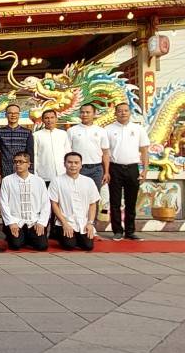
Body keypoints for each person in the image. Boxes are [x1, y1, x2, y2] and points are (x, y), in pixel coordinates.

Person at [105, 102, 150, 241]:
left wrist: (145, 170)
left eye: (125, 110)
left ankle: (130, 231)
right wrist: (106, 171)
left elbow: (144, 151)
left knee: (131, 201)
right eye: (120, 111)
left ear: (130, 112)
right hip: (115, 168)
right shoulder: (108, 129)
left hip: (132, 168)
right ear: (115, 113)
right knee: (115, 202)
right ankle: (117, 231)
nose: (123, 113)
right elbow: (105, 152)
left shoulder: (138, 129)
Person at [49, 152, 100, 251]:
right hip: (65, 222)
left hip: (83, 223)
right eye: (70, 162)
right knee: (69, 245)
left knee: (88, 246)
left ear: (81, 165)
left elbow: (92, 204)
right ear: (64, 164)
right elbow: (54, 204)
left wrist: (90, 223)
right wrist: (64, 223)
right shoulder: (57, 181)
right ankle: (64, 236)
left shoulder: (89, 181)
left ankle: (78, 237)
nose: (73, 165)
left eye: (76, 163)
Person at [0, 151, 49, 251]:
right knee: (15, 245)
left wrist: (41, 222)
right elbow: (3, 203)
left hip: (34, 220)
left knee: (42, 246)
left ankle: (28, 237)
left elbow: (46, 203)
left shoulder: (39, 181)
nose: (17, 164)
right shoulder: (7, 180)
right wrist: (11, 222)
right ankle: (19, 237)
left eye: (21, 162)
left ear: (29, 164)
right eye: (15, 162)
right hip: (16, 221)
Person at [67, 103, 110, 191]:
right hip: (78, 169)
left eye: (88, 112)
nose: (85, 115)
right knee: (78, 196)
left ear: (94, 114)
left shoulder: (101, 131)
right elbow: (67, 152)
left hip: (97, 169)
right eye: (82, 112)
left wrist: (106, 172)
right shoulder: (72, 131)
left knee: (95, 197)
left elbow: (105, 153)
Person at [0, 103, 34, 183]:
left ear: (19, 115)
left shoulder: (27, 132)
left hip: (22, 170)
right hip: (5, 170)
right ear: (6, 115)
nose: (13, 115)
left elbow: (30, 153)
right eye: (10, 113)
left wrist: (31, 171)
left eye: (16, 113)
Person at [33, 109, 70, 185]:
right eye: (46, 118)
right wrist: (35, 173)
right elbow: (34, 155)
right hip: (44, 175)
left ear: (56, 119)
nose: (49, 120)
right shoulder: (36, 135)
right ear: (42, 120)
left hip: (62, 173)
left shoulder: (63, 134)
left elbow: (68, 153)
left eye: (52, 117)